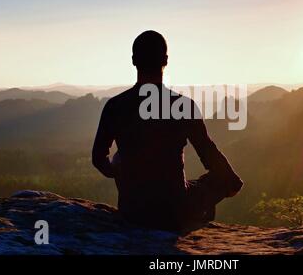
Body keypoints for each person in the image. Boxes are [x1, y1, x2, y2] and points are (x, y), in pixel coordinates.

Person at [92, 30, 243, 231]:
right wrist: (231, 182)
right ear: (165, 60)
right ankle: (197, 212)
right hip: (175, 211)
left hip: (132, 210)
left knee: (120, 156)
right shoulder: (183, 106)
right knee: (216, 181)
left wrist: (122, 172)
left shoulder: (115, 106)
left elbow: (98, 158)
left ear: (134, 60)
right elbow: (208, 152)